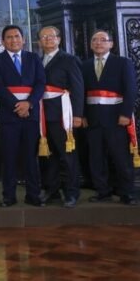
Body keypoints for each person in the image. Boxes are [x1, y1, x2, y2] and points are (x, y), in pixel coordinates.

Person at [0, 25, 45, 207]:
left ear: (23, 39)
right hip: (8, 115)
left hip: (31, 114)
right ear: (3, 41)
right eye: (9, 37)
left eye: (17, 36)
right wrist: (17, 105)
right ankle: (9, 196)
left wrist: (29, 103)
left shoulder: (34, 58)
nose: (13, 40)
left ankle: (33, 195)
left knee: (31, 157)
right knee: (9, 157)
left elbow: (40, 83)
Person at [82, 30, 138, 205]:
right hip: (93, 119)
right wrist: (82, 115)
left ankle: (127, 193)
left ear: (111, 44)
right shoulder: (85, 65)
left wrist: (125, 114)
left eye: (103, 40)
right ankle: (102, 191)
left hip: (116, 118)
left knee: (121, 157)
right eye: (95, 40)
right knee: (96, 158)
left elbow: (131, 90)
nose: (98, 43)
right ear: (91, 44)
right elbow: (81, 92)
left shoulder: (122, 63)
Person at [38, 26, 84, 208]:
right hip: (41, 114)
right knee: (49, 156)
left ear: (59, 39)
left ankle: (72, 193)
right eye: (44, 36)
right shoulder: (37, 60)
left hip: (63, 115)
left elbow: (78, 87)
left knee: (68, 155)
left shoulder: (69, 60)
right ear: (39, 41)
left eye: (51, 36)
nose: (48, 39)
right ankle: (52, 190)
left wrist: (78, 115)